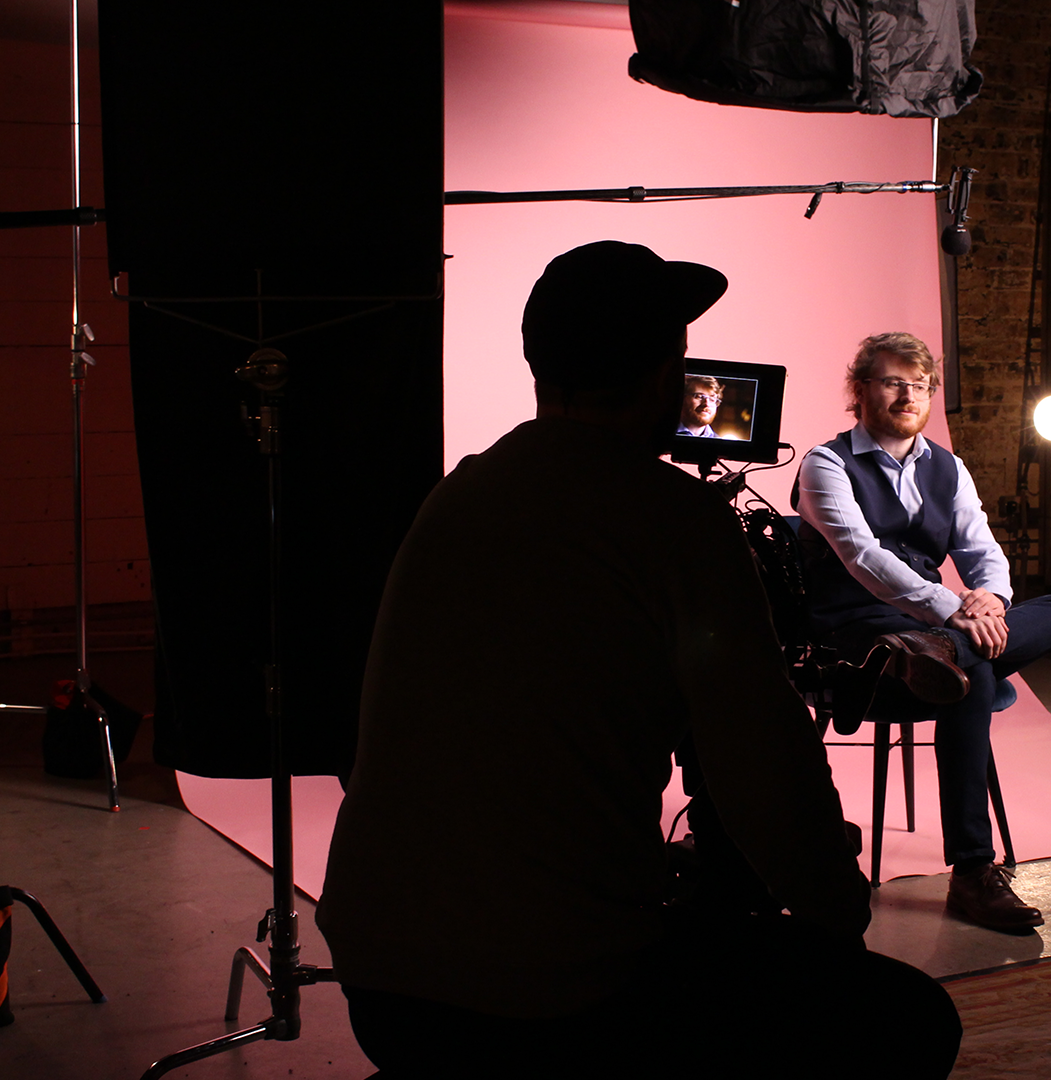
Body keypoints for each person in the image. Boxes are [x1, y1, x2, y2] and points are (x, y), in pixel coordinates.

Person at [317, 244, 959, 1078]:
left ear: (540, 369)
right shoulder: (676, 521)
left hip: (377, 977)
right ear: (666, 377)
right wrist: (838, 922)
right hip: (546, 995)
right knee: (909, 1022)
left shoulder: (461, 493)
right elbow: (767, 770)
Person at [792, 332, 1051, 933]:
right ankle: (973, 874)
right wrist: (955, 609)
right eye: (893, 381)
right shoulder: (826, 463)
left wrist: (991, 601)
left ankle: (940, 654)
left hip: (931, 634)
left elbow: (983, 550)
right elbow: (863, 558)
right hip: (856, 635)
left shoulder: (947, 468)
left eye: (919, 385)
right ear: (860, 391)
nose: (908, 395)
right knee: (973, 672)